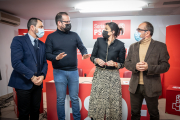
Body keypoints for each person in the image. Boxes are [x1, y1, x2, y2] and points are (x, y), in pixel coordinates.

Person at [45, 12, 89, 120]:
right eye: (66, 22)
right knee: (60, 99)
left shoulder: (74, 35)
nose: (69, 23)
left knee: (74, 98)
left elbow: (82, 46)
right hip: (59, 72)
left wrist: (84, 53)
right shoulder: (51, 37)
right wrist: (56, 57)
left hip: (73, 72)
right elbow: (47, 54)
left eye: (69, 21)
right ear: (59, 23)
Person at [125, 21, 170, 120]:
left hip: (152, 86)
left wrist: (149, 68)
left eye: (139, 30)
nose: (137, 32)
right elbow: (127, 63)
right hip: (135, 87)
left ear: (147, 32)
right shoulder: (133, 46)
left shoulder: (160, 46)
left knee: (153, 113)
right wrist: (135, 66)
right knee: (135, 113)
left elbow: (165, 66)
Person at [8, 18, 48, 120]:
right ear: (32, 27)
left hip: (38, 84)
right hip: (23, 83)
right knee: (24, 112)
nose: (43, 29)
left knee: (35, 111)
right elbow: (16, 63)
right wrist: (32, 76)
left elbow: (44, 63)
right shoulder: (18, 40)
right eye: (41, 27)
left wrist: (42, 76)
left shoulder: (42, 45)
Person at [88, 22, 126, 120]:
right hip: (99, 74)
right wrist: (96, 60)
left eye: (106, 29)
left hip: (113, 76)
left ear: (113, 32)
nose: (103, 31)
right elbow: (92, 57)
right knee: (97, 100)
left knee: (113, 101)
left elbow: (122, 63)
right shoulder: (99, 41)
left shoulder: (120, 45)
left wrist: (115, 64)